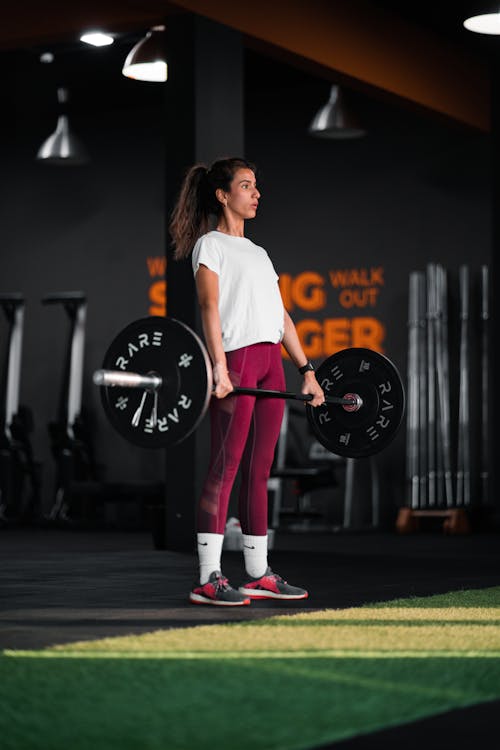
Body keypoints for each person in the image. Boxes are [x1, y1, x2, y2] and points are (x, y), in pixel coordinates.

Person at [169, 157, 325, 606]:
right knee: (226, 466)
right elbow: (209, 308)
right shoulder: (210, 246)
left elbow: (281, 317)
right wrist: (218, 367)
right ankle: (209, 577)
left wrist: (307, 371)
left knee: (259, 471)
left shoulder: (259, 253)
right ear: (222, 195)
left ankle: (259, 574)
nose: (256, 193)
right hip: (236, 362)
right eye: (246, 185)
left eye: (256, 186)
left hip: (270, 364)